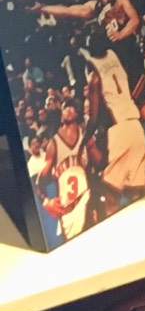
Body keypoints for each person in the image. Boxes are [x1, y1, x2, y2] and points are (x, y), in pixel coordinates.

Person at [33, 0, 145, 158]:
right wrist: (42, 8)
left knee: (144, 110)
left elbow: (134, 19)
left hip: (131, 58)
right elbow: (69, 10)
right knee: (123, 115)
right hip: (115, 64)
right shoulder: (95, 7)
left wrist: (120, 34)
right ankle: (140, 154)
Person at [78, 27, 145, 218]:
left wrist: (82, 143)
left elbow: (93, 120)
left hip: (120, 131)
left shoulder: (94, 77)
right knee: (136, 193)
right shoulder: (115, 57)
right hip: (136, 127)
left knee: (110, 195)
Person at [35, 100, 98, 241]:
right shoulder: (54, 144)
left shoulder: (85, 136)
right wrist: (46, 202)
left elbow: (100, 163)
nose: (68, 109)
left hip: (86, 198)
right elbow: (39, 182)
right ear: (61, 114)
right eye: (65, 107)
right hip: (67, 209)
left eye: (72, 107)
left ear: (77, 113)